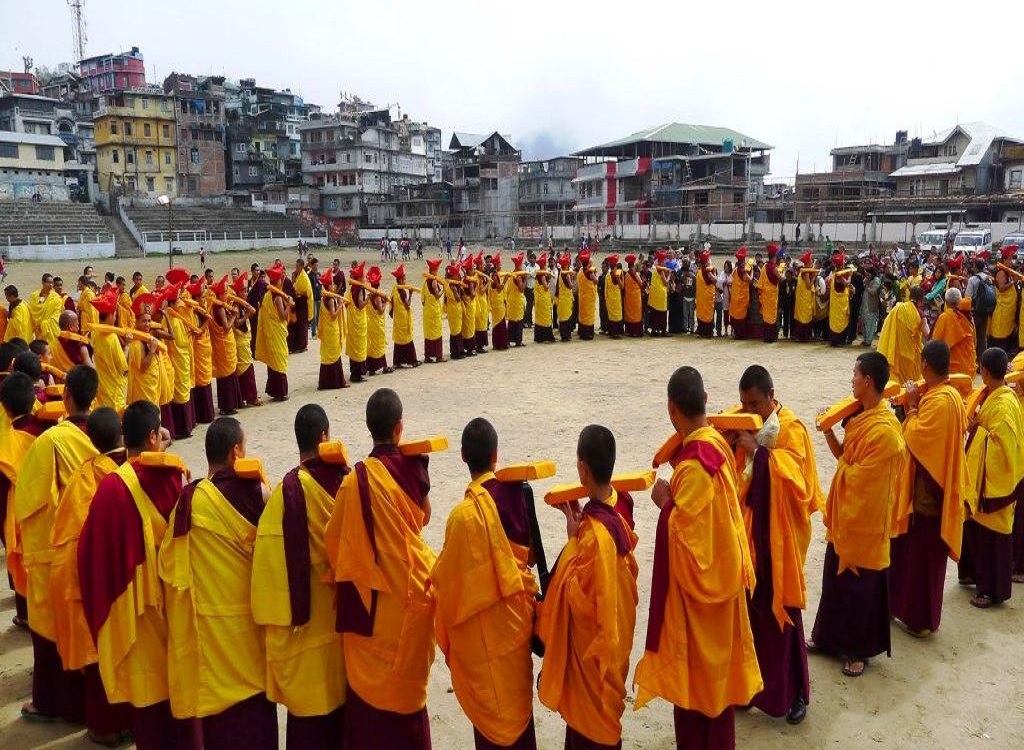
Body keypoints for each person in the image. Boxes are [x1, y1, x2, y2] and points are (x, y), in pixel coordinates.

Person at [634, 366, 762, 750]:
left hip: (702, 601)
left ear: (672, 409)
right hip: (726, 583)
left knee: (696, 691)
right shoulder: (719, 447)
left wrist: (664, 503)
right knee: (717, 689)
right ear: (706, 401)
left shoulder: (692, 468)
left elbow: (687, 545)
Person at [79, 400, 200, 750]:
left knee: (150, 704)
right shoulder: (177, 476)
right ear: (153, 436)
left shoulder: (111, 489)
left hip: (137, 619)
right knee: (183, 691)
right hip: (178, 608)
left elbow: (90, 558)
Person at [325, 388, 436, 750]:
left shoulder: (354, 481)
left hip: (369, 610)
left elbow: (333, 542)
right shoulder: (413, 470)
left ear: (368, 428)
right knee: (405, 699)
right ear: (400, 428)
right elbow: (424, 516)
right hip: (409, 596)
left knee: (370, 710)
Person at [160, 416, 276, 748]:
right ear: (236, 451)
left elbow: (169, 567)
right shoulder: (258, 492)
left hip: (208, 635)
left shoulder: (187, 501)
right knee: (254, 721)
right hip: (248, 633)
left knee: (219, 728)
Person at [432, 418, 540, 749]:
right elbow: (532, 557)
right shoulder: (519, 493)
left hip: (481, 641)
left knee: (491, 727)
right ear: (497, 455)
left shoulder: (462, 517)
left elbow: (445, 584)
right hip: (514, 629)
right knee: (518, 715)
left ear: (463, 456)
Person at [252, 405, 349, 748]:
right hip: (341, 621)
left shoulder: (284, 494)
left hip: (304, 629)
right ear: (325, 437)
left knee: (309, 718)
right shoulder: (346, 483)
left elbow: (267, 565)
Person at [537, 424, 638, 749]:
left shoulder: (594, 538)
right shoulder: (616, 519)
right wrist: (577, 536)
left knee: (589, 736)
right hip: (614, 657)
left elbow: (571, 602)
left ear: (582, 469)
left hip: (594, 667)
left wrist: (572, 542)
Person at [733, 365, 822, 724]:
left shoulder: (792, 429)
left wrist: (761, 453)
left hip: (781, 537)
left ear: (771, 395)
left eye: (755, 402)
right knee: (752, 618)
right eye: (745, 403)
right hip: (753, 535)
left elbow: (798, 481)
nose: (750, 410)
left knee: (784, 617)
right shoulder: (745, 420)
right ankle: (753, 687)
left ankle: (796, 692)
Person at [15, 365, 101, 724]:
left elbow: (29, 502)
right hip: (95, 540)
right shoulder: (107, 430)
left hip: (59, 546)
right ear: (94, 397)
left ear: (65, 397)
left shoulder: (51, 441)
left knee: (50, 625)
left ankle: (52, 703)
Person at [811, 351, 906, 674]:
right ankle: (827, 638)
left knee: (859, 589)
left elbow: (864, 483)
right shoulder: (861, 418)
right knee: (834, 582)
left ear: (868, 381)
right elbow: (845, 460)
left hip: (865, 524)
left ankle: (858, 651)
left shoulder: (886, 432)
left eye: (854, 375)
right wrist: (828, 431)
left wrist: (846, 471)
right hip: (846, 518)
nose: (851, 380)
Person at [50, 406, 133, 745]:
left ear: (89, 440)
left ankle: (105, 726)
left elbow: (67, 537)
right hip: (129, 578)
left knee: (101, 652)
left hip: (95, 578)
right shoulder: (134, 471)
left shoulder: (82, 480)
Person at [889, 341, 968, 637]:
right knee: (914, 556)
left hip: (929, 493)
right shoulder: (947, 395)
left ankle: (921, 619)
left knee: (923, 559)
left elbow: (917, 439)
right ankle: (907, 610)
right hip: (931, 488)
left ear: (924, 365)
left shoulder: (941, 400)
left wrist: (910, 406)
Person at [958, 348, 1023, 608]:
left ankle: (991, 591)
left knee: (993, 537)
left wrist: (977, 431)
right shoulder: (995, 395)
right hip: (983, 480)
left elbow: (1003, 447)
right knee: (975, 529)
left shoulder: (1005, 403)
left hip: (997, 483)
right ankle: (973, 575)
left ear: (984, 372)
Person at [0, 370, 45, 631]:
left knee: (21, 561)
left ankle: (26, 615)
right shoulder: (48, 430)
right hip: (46, 510)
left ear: (4, 408)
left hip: (16, 515)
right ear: (34, 399)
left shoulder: (5, 444)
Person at [255, 264, 291, 401]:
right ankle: (281, 392)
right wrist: (289, 305)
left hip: (271, 333)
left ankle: (274, 391)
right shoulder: (277, 297)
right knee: (279, 359)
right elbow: (282, 316)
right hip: (277, 332)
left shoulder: (267, 295)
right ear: (278, 281)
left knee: (273, 361)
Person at [877, 287, 927, 386]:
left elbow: (887, 323)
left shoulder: (898, 308)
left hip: (897, 350)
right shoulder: (920, 314)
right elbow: (927, 333)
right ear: (921, 300)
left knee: (899, 379)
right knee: (912, 380)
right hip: (912, 354)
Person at [932, 288, 977, 397]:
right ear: (959, 300)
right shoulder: (968, 316)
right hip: (968, 365)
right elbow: (974, 341)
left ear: (946, 302)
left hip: (952, 369)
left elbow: (935, 344)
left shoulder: (945, 317)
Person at [317, 268, 348, 389]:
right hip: (331, 330)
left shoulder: (327, 297)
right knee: (333, 355)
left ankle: (327, 382)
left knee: (328, 355)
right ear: (328, 286)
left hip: (329, 330)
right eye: (332, 284)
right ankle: (337, 382)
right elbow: (333, 315)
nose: (334, 286)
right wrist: (340, 305)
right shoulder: (329, 299)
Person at [964, 258, 995, 364]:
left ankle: (973, 360)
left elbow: (968, 296)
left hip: (975, 311)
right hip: (986, 310)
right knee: (982, 337)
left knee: (973, 336)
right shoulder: (989, 278)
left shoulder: (972, 279)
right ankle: (982, 362)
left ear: (976, 267)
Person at [390, 263, 421, 368]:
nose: (405, 281)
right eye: (404, 279)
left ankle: (397, 362)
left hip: (398, 318)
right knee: (408, 340)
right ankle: (412, 361)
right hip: (403, 317)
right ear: (399, 280)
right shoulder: (402, 292)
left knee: (398, 340)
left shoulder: (395, 289)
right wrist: (411, 293)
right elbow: (407, 305)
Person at [988, 246, 1018, 352]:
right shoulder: (1001, 272)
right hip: (1002, 312)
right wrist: (1013, 282)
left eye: (1012, 259)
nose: (1011, 261)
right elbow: (1001, 288)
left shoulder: (1008, 271)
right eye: (1009, 259)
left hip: (1008, 313)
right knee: (1000, 342)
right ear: (1003, 260)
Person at [345, 262, 369, 383]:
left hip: (352, 322)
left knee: (354, 347)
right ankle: (358, 374)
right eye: (363, 277)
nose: (364, 278)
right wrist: (368, 299)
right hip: (358, 321)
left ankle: (354, 372)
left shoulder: (351, 289)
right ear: (359, 278)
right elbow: (360, 305)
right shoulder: (359, 289)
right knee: (359, 346)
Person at [422, 258, 445, 363]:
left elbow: (422, 301)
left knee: (428, 333)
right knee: (437, 332)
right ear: (434, 270)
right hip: (434, 310)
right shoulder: (434, 282)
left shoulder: (425, 282)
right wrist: (444, 289)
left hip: (427, 311)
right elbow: (437, 296)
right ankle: (438, 356)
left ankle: (428, 356)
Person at [288, 258, 313, 354]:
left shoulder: (304, 277)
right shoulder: (299, 275)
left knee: (302, 325)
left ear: (302, 266)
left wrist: (297, 292)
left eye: (297, 266)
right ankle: (299, 344)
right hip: (298, 303)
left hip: (303, 303)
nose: (296, 268)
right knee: (299, 325)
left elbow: (307, 293)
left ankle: (303, 345)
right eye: (296, 266)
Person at [758, 244, 782, 342]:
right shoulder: (774, 268)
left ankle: (766, 337)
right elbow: (781, 279)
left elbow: (761, 282)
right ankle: (771, 337)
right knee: (772, 317)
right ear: (775, 257)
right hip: (771, 296)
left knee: (766, 316)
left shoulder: (765, 266)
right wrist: (783, 273)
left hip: (765, 295)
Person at [828, 253, 851, 347]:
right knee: (840, 322)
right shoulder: (839, 276)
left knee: (835, 320)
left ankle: (834, 340)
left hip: (836, 304)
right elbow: (846, 284)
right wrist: (850, 275)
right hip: (839, 304)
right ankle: (838, 341)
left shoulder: (835, 273)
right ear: (841, 265)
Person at [488, 254, 510, 351]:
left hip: (497, 300)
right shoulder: (495, 276)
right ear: (496, 265)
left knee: (498, 322)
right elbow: (499, 288)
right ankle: (500, 344)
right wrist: (505, 280)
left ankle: (497, 344)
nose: (501, 265)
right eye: (500, 264)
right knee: (500, 322)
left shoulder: (494, 274)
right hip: (497, 301)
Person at [443, 262, 465, 359]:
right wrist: (457, 291)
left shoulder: (452, 284)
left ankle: (459, 350)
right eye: (457, 275)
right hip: (454, 310)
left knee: (457, 330)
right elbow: (457, 299)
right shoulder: (451, 286)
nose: (458, 277)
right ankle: (456, 352)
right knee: (455, 331)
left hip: (455, 310)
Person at [533, 254, 556, 343]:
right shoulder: (542, 275)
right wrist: (549, 280)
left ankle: (539, 337)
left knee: (539, 317)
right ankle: (547, 336)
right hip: (543, 298)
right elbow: (546, 287)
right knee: (546, 317)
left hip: (539, 298)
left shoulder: (538, 274)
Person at [730, 248, 752, 339]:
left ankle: (736, 333)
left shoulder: (735, 270)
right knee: (742, 318)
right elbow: (750, 280)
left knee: (736, 317)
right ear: (742, 262)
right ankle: (741, 335)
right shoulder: (743, 271)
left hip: (735, 297)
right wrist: (752, 271)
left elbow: (731, 281)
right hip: (742, 298)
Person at [507, 252, 529, 346]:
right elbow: (521, 289)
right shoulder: (519, 277)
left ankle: (509, 339)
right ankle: (518, 341)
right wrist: (526, 280)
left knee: (512, 321)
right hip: (517, 299)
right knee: (519, 321)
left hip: (511, 299)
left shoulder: (512, 274)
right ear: (519, 265)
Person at [695, 249, 716, 338]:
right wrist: (715, 273)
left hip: (700, 297)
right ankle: (708, 333)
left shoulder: (699, 271)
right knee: (707, 314)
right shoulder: (708, 271)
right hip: (707, 297)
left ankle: (701, 332)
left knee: (701, 313)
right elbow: (714, 280)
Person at [859, 265, 882, 346]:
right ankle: (865, 339)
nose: (867, 275)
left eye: (868, 274)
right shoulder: (867, 279)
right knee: (864, 322)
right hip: (865, 304)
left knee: (870, 323)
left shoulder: (876, 280)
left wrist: (867, 286)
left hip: (872, 304)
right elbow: (862, 285)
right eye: (866, 274)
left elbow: (873, 292)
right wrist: (866, 282)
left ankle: (869, 340)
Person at [556, 253, 576, 342]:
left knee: (563, 318)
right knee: (567, 317)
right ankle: (566, 336)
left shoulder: (560, 273)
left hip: (562, 298)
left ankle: (563, 335)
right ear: (567, 265)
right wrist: (573, 278)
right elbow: (571, 286)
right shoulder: (567, 275)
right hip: (566, 298)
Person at [623, 254, 643, 337]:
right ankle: (636, 331)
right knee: (636, 314)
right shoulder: (635, 274)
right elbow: (641, 284)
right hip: (635, 297)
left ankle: (630, 331)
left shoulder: (627, 274)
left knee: (630, 314)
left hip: (629, 297)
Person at [604, 255, 624, 339]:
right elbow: (622, 286)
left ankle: (612, 332)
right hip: (615, 298)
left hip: (609, 298)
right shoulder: (616, 274)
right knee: (616, 316)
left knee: (612, 316)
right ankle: (615, 333)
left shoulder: (608, 275)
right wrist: (619, 278)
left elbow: (605, 289)